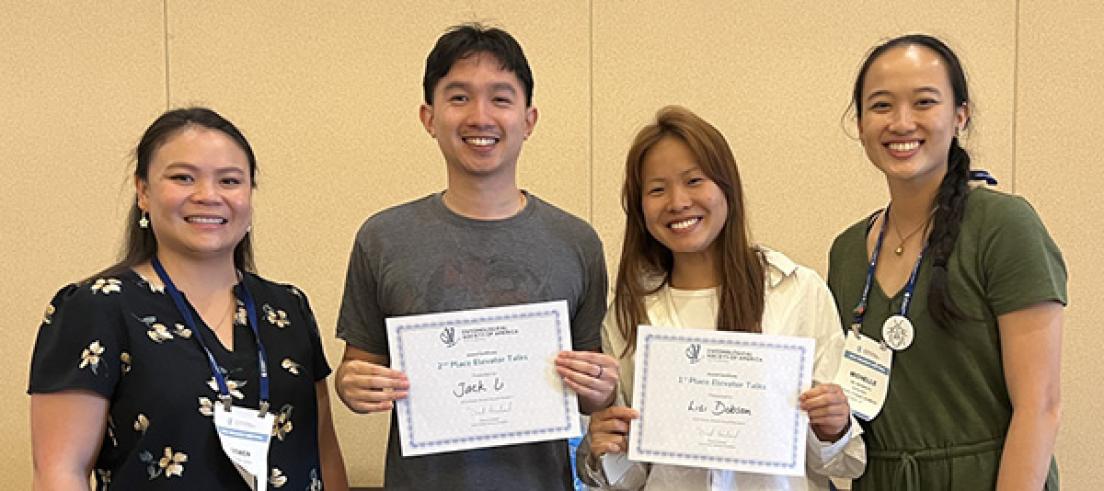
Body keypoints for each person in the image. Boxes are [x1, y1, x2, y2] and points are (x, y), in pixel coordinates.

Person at [333, 23, 615, 490]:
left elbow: (587, 393)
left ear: (529, 119)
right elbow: (357, 366)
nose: (480, 116)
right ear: (428, 116)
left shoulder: (576, 242)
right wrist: (353, 386)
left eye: (501, 99)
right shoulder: (382, 238)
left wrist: (598, 388)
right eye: (459, 97)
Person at [28, 107, 348, 490]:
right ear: (143, 192)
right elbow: (61, 472)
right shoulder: (95, 307)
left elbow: (323, 452)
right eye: (183, 177)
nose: (208, 196)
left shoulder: (287, 308)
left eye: (230, 181)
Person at [577, 106, 866, 490]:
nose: (678, 202)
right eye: (657, 189)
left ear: (726, 187)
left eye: (694, 180)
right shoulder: (630, 313)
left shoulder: (796, 292)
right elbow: (631, 478)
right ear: (640, 206)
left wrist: (834, 427)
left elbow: (843, 463)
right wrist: (605, 444)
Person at [828, 34, 1066, 490]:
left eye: (924, 102)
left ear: (960, 115)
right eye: (880, 106)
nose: (901, 122)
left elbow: (1041, 405)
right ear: (859, 123)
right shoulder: (846, 251)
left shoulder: (1003, 226)